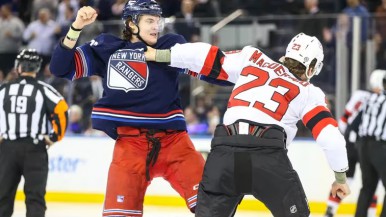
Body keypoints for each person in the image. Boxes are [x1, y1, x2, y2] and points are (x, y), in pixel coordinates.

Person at [49, 1, 230, 216]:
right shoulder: (107, 48)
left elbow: (217, 73)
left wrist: (244, 72)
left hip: (175, 144)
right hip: (129, 147)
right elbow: (60, 68)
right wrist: (76, 26)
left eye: (158, 20)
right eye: (149, 21)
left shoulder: (170, 46)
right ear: (131, 24)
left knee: (216, 207)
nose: (157, 26)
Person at [144, 32, 351, 216]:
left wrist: (159, 55)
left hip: (224, 150)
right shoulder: (309, 92)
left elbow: (204, 55)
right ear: (313, 66)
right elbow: (331, 139)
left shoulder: (252, 58)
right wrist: (340, 178)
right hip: (267, 156)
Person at [0, 49, 69, 217]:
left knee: (3, 198)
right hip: (34, 149)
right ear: (37, 68)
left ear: (18, 67)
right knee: (35, 199)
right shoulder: (43, 89)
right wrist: (54, 137)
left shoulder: (3, 90)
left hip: (7, 148)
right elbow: (62, 109)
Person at [324, 69, 386, 217]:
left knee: (366, 186)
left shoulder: (366, 97)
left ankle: (332, 210)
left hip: (359, 144)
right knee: (358, 182)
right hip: (375, 146)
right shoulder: (375, 98)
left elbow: (350, 123)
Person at [355, 71, 386, 217]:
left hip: (363, 146)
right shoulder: (383, 99)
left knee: (367, 187)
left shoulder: (367, 98)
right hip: (379, 147)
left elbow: (354, 124)